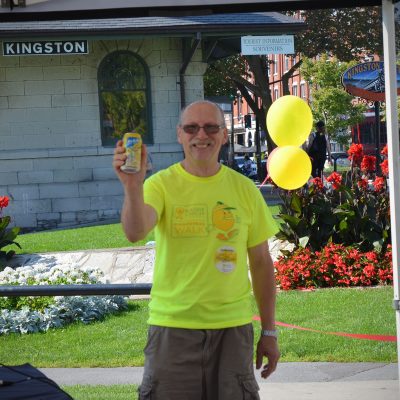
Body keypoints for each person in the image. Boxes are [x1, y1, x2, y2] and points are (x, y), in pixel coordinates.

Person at [113, 100, 280, 400]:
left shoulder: (245, 190)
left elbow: (261, 263)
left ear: (225, 134)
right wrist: (132, 186)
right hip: (173, 329)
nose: (201, 135)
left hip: (233, 331)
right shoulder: (159, 185)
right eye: (191, 128)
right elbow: (135, 232)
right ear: (179, 134)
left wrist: (269, 331)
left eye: (210, 127)